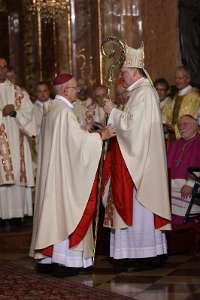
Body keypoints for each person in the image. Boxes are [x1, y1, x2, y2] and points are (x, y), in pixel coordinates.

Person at [30, 73, 115, 277]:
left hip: (55, 173)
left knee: (54, 214)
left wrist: (83, 130)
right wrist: (101, 135)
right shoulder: (64, 113)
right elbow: (75, 144)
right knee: (65, 213)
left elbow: (67, 141)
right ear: (64, 90)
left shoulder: (52, 110)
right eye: (75, 87)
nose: (78, 90)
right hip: (63, 176)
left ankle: (49, 258)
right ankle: (64, 260)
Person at [102, 44, 171, 271]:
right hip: (133, 160)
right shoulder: (139, 93)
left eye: (123, 72)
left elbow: (135, 128)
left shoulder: (145, 93)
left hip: (141, 165)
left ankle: (144, 254)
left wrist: (113, 110)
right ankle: (136, 253)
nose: (121, 76)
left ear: (134, 70)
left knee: (140, 209)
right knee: (135, 209)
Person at [0, 58, 36, 221]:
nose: (1, 70)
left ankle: (19, 216)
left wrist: (15, 113)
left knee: (16, 176)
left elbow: (31, 119)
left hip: (17, 142)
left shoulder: (19, 93)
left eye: (4, 67)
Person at [167, 115, 200, 224]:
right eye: (180, 125)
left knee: (181, 222)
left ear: (195, 126)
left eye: (185, 124)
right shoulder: (175, 144)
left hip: (190, 185)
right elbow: (166, 165)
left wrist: (190, 183)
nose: (181, 127)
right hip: (171, 186)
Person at [162, 66, 200, 137]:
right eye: (176, 78)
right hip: (173, 135)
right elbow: (169, 114)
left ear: (188, 79)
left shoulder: (194, 96)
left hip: (189, 136)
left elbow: (192, 118)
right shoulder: (176, 96)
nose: (177, 81)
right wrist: (167, 124)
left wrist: (175, 128)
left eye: (180, 78)